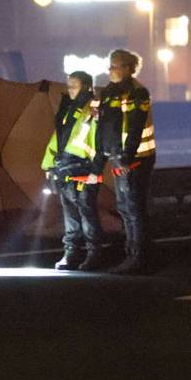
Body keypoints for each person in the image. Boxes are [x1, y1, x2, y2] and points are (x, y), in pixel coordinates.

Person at [42, 70, 111, 271]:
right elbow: (60, 138)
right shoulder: (69, 109)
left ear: (86, 86)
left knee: (86, 212)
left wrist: (96, 170)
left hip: (85, 167)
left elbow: (100, 142)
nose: (70, 89)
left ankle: (94, 253)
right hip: (65, 167)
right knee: (70, 214)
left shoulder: (93, 109)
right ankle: (71, 253)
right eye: (69, 85)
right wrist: (49, 163)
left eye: (74, 85)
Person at [97, 49, 157, 274]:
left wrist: (125, 156)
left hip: (135, 159)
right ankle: (132, 255)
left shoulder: (136, 92)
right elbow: (106, 124)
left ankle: (139, 257)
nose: (109, 70)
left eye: (114, 66)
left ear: (127, 68)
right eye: (110, 65)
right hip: (119, 157)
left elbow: (135, 126)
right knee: (125, 208)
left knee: (134, 209)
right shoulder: (111, 91)